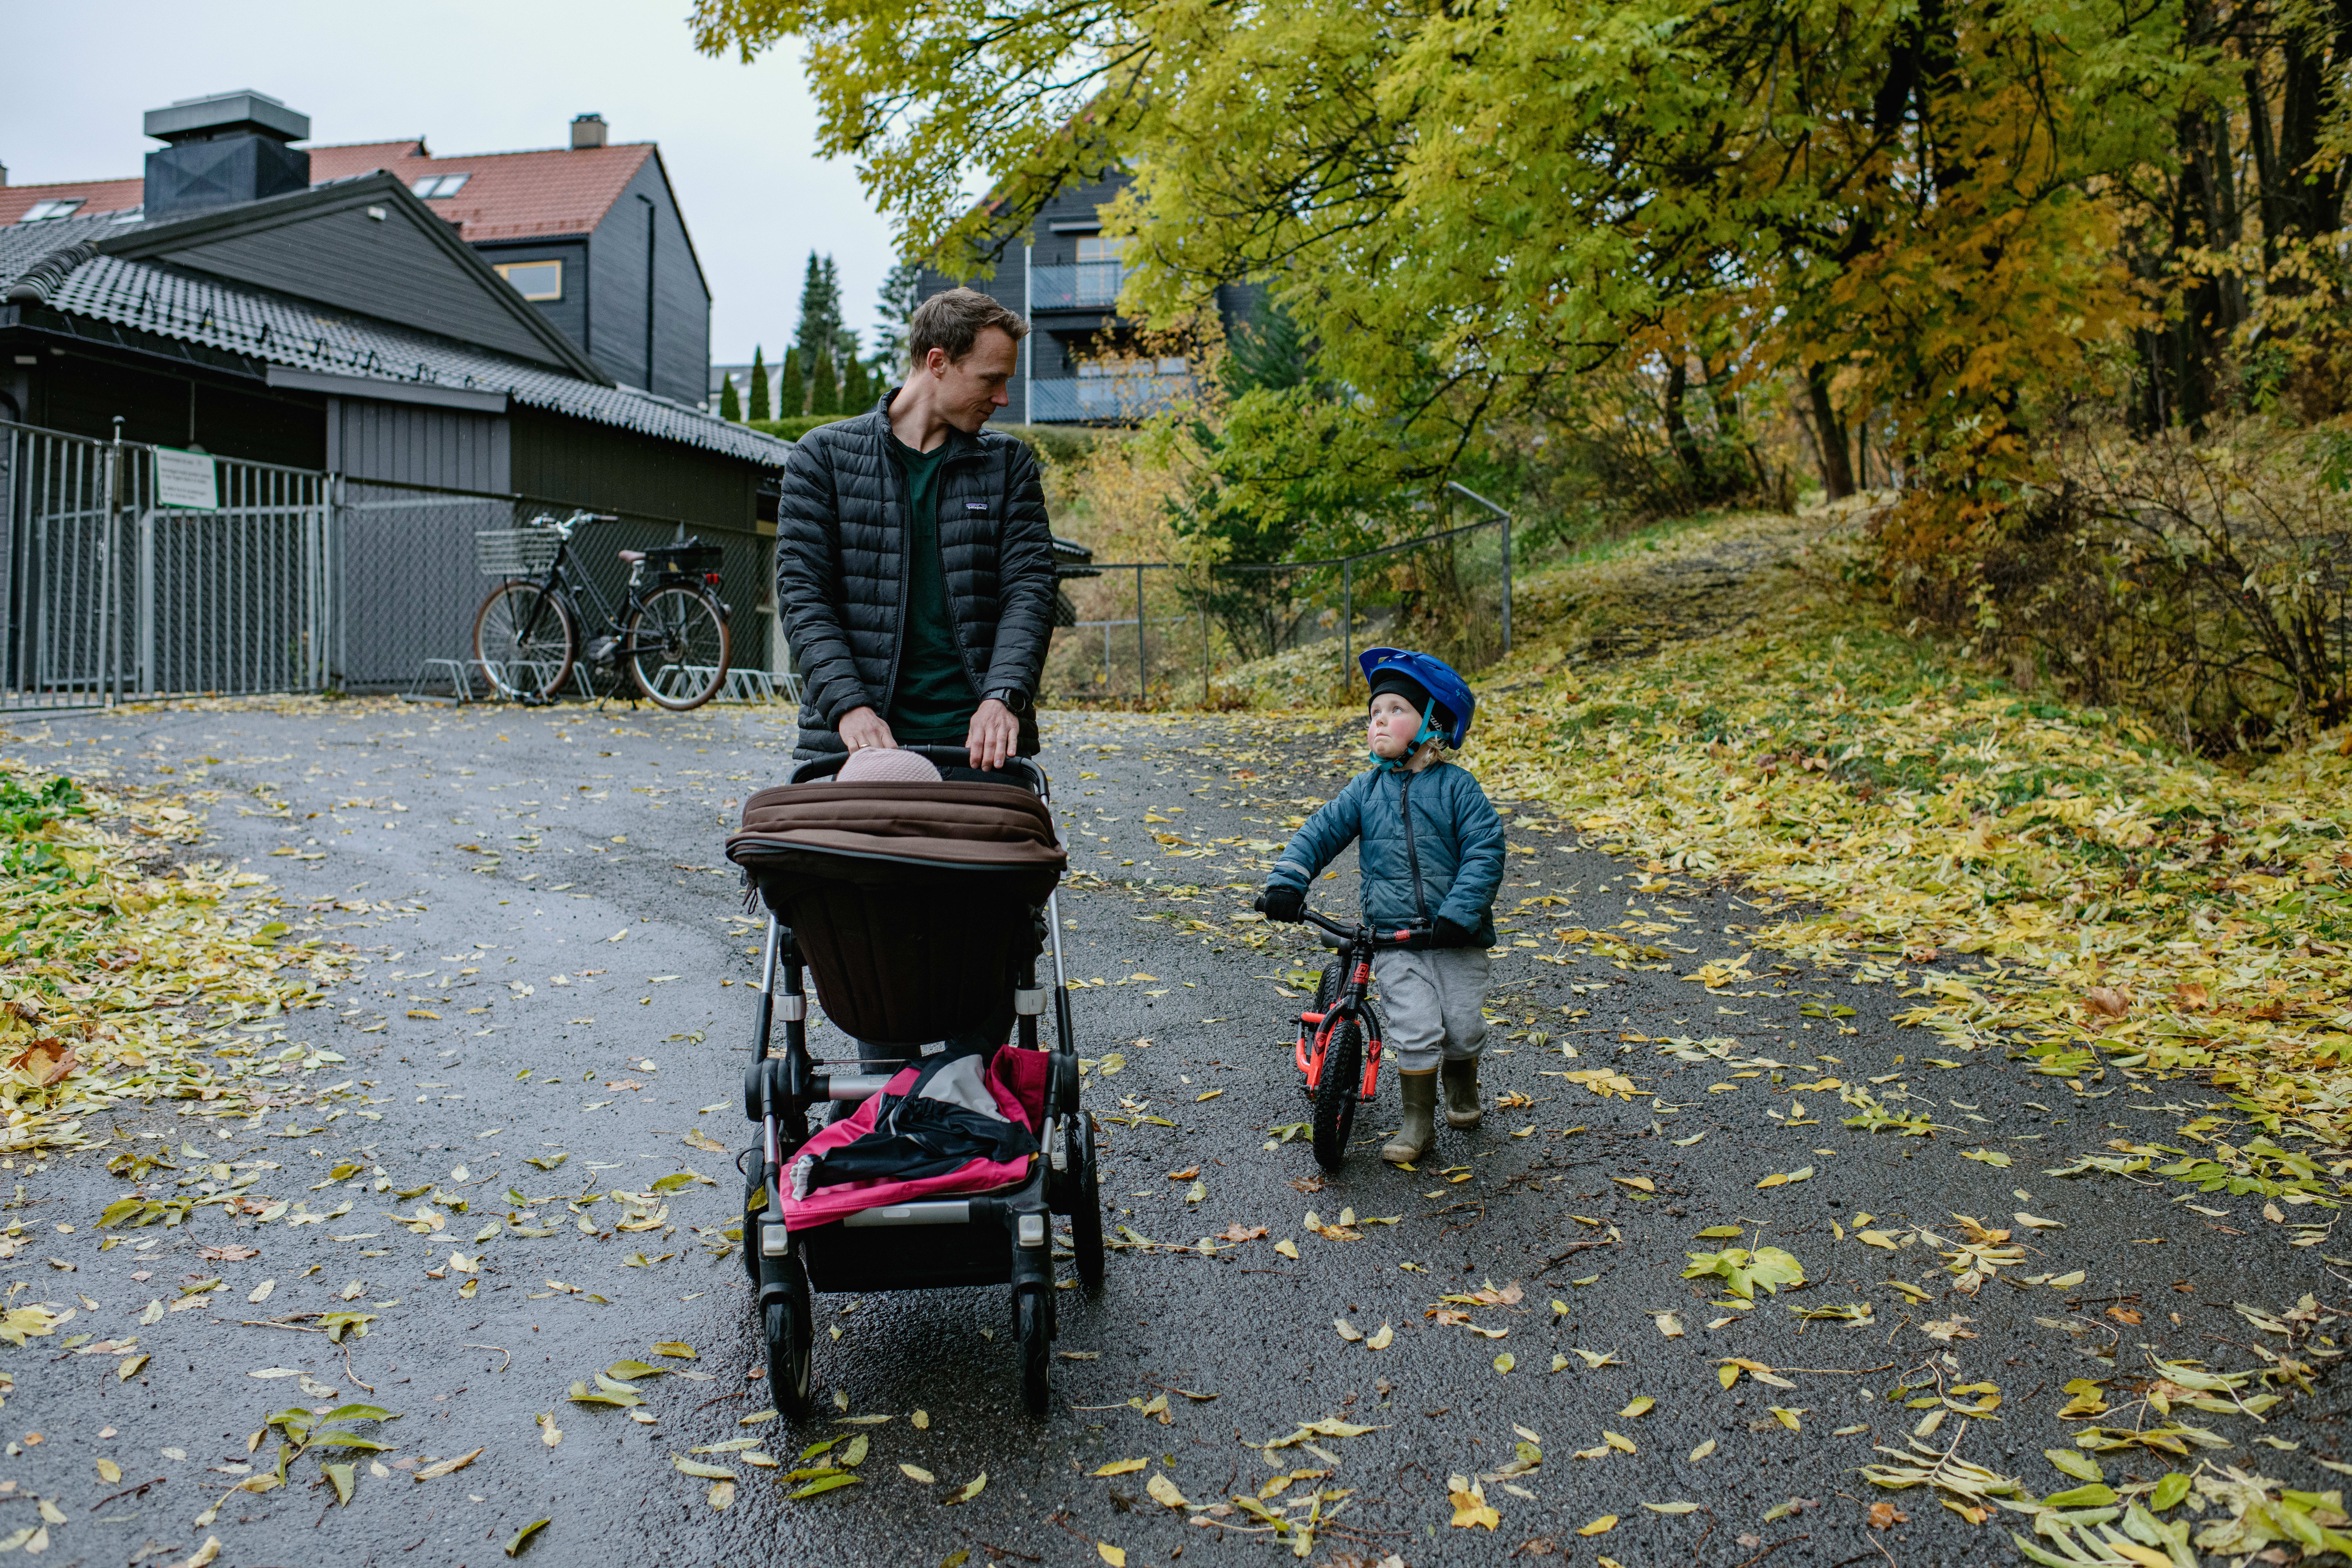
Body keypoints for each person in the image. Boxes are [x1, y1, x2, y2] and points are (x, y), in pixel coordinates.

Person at [775, 287, 1059, 780]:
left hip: (979, 744)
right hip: (860, 740)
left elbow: (1030, 590)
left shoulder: (1009, 464)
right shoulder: (822, 457)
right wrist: (849, 708)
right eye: (991, 380)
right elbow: (804, 597)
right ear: (938, 361)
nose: (1003, 399)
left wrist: (1003, 697)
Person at [1256, 649, 1504, 1164]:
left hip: (1454, 936)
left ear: (1432, 722)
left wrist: (1463, 909)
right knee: (1414, 1029)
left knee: (1462, 1027)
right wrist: (1289, 880)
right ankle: (1418, 1122)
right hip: (1393, 940)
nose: (1379, 721)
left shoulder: (1458, 788)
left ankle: (1462, 1083)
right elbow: (1319, 833)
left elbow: (1485, 849)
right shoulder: (1365, 790)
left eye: (1395, 709)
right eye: (1374, 714)